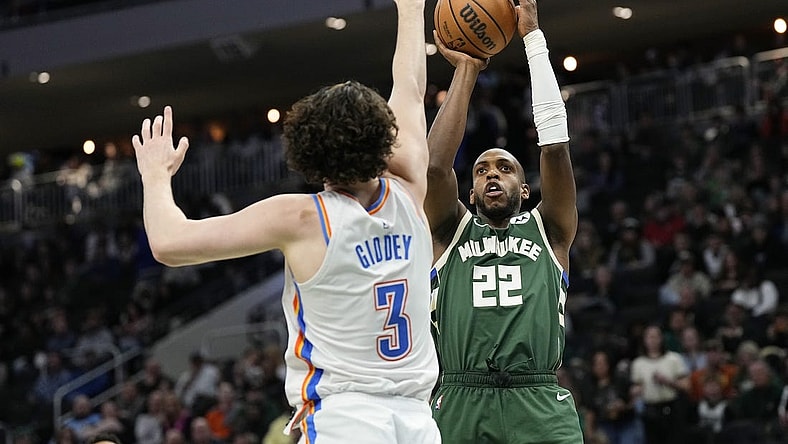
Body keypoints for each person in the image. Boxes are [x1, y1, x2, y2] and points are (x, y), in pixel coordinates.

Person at [130, 0, 439, 442]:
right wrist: (411, 11)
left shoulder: (301, 218)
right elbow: (409, 88)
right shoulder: (409, 188)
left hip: (346, 418)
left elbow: (168, 243)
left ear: (308, 153)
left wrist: (156, 177)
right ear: (384, 137)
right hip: (417, 419)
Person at [425, 0, 583, 442]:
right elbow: (434, 168)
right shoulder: (449, 230)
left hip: (538, 400)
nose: (492, 174)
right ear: (471, 194)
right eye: (481, 170)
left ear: (526, 189)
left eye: (505, 168)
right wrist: (467, 70)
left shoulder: (551, 230)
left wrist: (533, 39)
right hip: (461, 397)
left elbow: (555, 148)